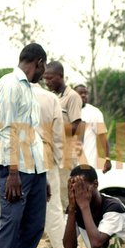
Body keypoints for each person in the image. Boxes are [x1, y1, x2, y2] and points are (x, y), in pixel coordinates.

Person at [0, 43, 48, 248]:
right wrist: (13, 172)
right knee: (11, 225)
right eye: (43, 67)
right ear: (40, 62)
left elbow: (31, 133)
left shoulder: (28, 88)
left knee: (34, 227)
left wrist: (41, 175)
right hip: (15, 170)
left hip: (34, 170)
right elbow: (7, 131)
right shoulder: (10, 85)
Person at [42, 61, 82, 210]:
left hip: (66, 154)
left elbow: (77, 126)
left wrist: (54, 129)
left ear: (60, 76)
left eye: (50, 78)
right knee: (53, 194)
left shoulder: (72, 97)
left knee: (65, 194)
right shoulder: (50, 97)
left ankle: (68, 228)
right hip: (51, 152)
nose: (47, 82)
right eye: (45, 78)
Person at [32, 80, 65, 248]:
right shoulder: (50, 98)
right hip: (46, 154)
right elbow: (58, 132)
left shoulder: (14, 94)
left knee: (26, 207)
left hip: (21, 156)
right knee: (53, 207)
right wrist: (59, 158)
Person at [73, 85, 111, 173]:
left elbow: (102, 136)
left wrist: (107, 158)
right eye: (80, 93)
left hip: (88, 164)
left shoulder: (94, 112)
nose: (83, 95)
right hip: (68, 164)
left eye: (85, 93)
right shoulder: (65, 110)